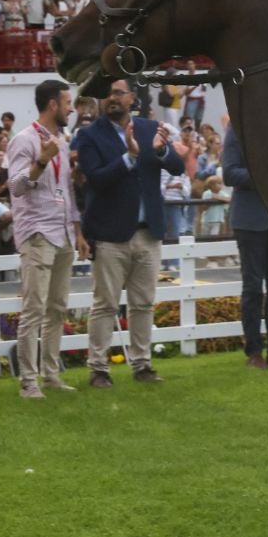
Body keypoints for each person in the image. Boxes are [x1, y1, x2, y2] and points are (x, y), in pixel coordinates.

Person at [74, 80, 182, 387]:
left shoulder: (150, 129)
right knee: (105, 304)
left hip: (148, 233)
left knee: (143, 303)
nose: (112, 98)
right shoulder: (89, 135)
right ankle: (98, 368)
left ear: (132, 97)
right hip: (109, 234)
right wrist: (129, 158)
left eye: (118, 93)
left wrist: (161, 151)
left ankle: (142, 364)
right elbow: (95, 179)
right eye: (107, 94)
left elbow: (177, 167)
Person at [6, 79, 87, 398]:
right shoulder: (23, 140)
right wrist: (40, 161)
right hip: (37, 231)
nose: (71, 109)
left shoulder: (61, 142)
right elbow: (16, 187)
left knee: (57, 307)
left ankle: (51, 374)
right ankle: (28, 381)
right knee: (34, 308)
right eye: (67, 103)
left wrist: (78, 231)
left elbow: (66, 191)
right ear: (53, 105)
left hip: (63, 231)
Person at [219, 128, 268, 370]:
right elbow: (229, 173)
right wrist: (265, 175)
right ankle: (253, 351)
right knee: (252, 287)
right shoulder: (237, 130)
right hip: (249, 220)